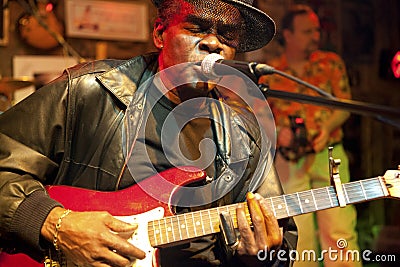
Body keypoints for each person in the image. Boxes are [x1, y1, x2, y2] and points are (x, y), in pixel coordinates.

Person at [0, 0, 297, 266]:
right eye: (196, 28)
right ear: (159, 33)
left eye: (227, 36)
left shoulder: (245, 135)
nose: (213, 43)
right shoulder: (89, 92)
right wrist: (56, 225)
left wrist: (261, 259)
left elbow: (281, 244)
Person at [258, 4, 361, 267]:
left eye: (317, 30)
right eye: (307, 31)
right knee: (298, 233)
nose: (316, 36)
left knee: (339, 230)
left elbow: (344, 105)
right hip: (289, 162)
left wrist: (326, 129)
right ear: (289, 35)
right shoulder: (272, 71)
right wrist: (280, 134)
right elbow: (261, 120)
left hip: (329, 156)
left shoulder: (331, 63)